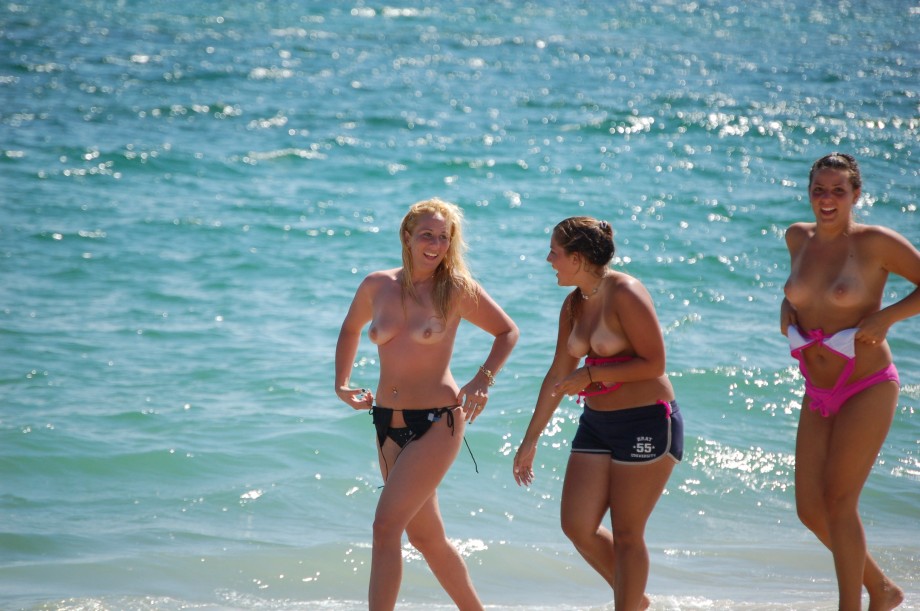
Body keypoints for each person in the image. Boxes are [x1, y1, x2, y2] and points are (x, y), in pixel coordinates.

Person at [335, 198, 518, 611]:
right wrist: (341, 383)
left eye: (443, 237)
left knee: (385, 526)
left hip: (439, 423)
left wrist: (481, 380)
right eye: (426, 235)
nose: (434, 244)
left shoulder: (454, 290)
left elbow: (507, 331)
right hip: (385, 421)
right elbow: (349, 329)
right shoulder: (376, 286)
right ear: (407, 236)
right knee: (425, 538)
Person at [513, 216, 683, 611]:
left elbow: (655, 362)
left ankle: (627, 604)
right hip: (596, 424)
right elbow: (558, 372)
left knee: (627, 533)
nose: (548, 259)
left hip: (647, 420)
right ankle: (633, 599)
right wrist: (531, 438)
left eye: (554, 252)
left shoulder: (626, 292)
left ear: (577, 258)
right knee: (577, 525)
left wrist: (591, 372)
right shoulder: (574, 303)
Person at [781, 153, 919, 611]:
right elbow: (803, 291)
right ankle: (881, 589)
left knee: (840, 501)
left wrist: (887, 317)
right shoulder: (797, 237)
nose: (826, 199)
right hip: (817, 389)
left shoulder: (876, 243)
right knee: (810, 509)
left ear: (856, 195)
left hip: (868, 384)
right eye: (819, 189)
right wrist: (788, 311)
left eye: (838, 190)